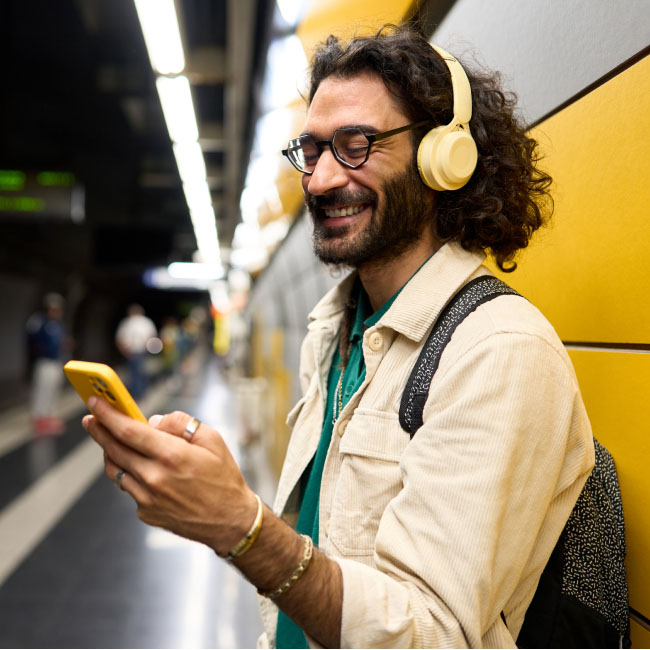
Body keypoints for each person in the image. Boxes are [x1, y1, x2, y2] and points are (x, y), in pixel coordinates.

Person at [81, 25, 594, 648]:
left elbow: (431, 635)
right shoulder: (336, 330)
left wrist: (241, 527)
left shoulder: (497, 352)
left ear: (444, 156)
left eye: (356, 144)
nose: (321, 180)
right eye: (313, 150)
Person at [26, 292, 69, 435]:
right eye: (53, 308)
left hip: (56, 361)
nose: (56, 312)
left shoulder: (58, 324)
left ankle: (49, 416)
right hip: (44, 361)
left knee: (53, 389)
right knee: (42, 390)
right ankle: (39, 417)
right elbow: (32, 341)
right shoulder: (39, 321)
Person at [115, 304, 157, 399]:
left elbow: (119, 339)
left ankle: (137, 394)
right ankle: (140, 393)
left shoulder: (126, 323)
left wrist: (124, 351)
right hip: (139, 351)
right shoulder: (146, 322)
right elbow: (153, 336)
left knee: (134, 374)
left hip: (132, 351)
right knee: (139, 372)